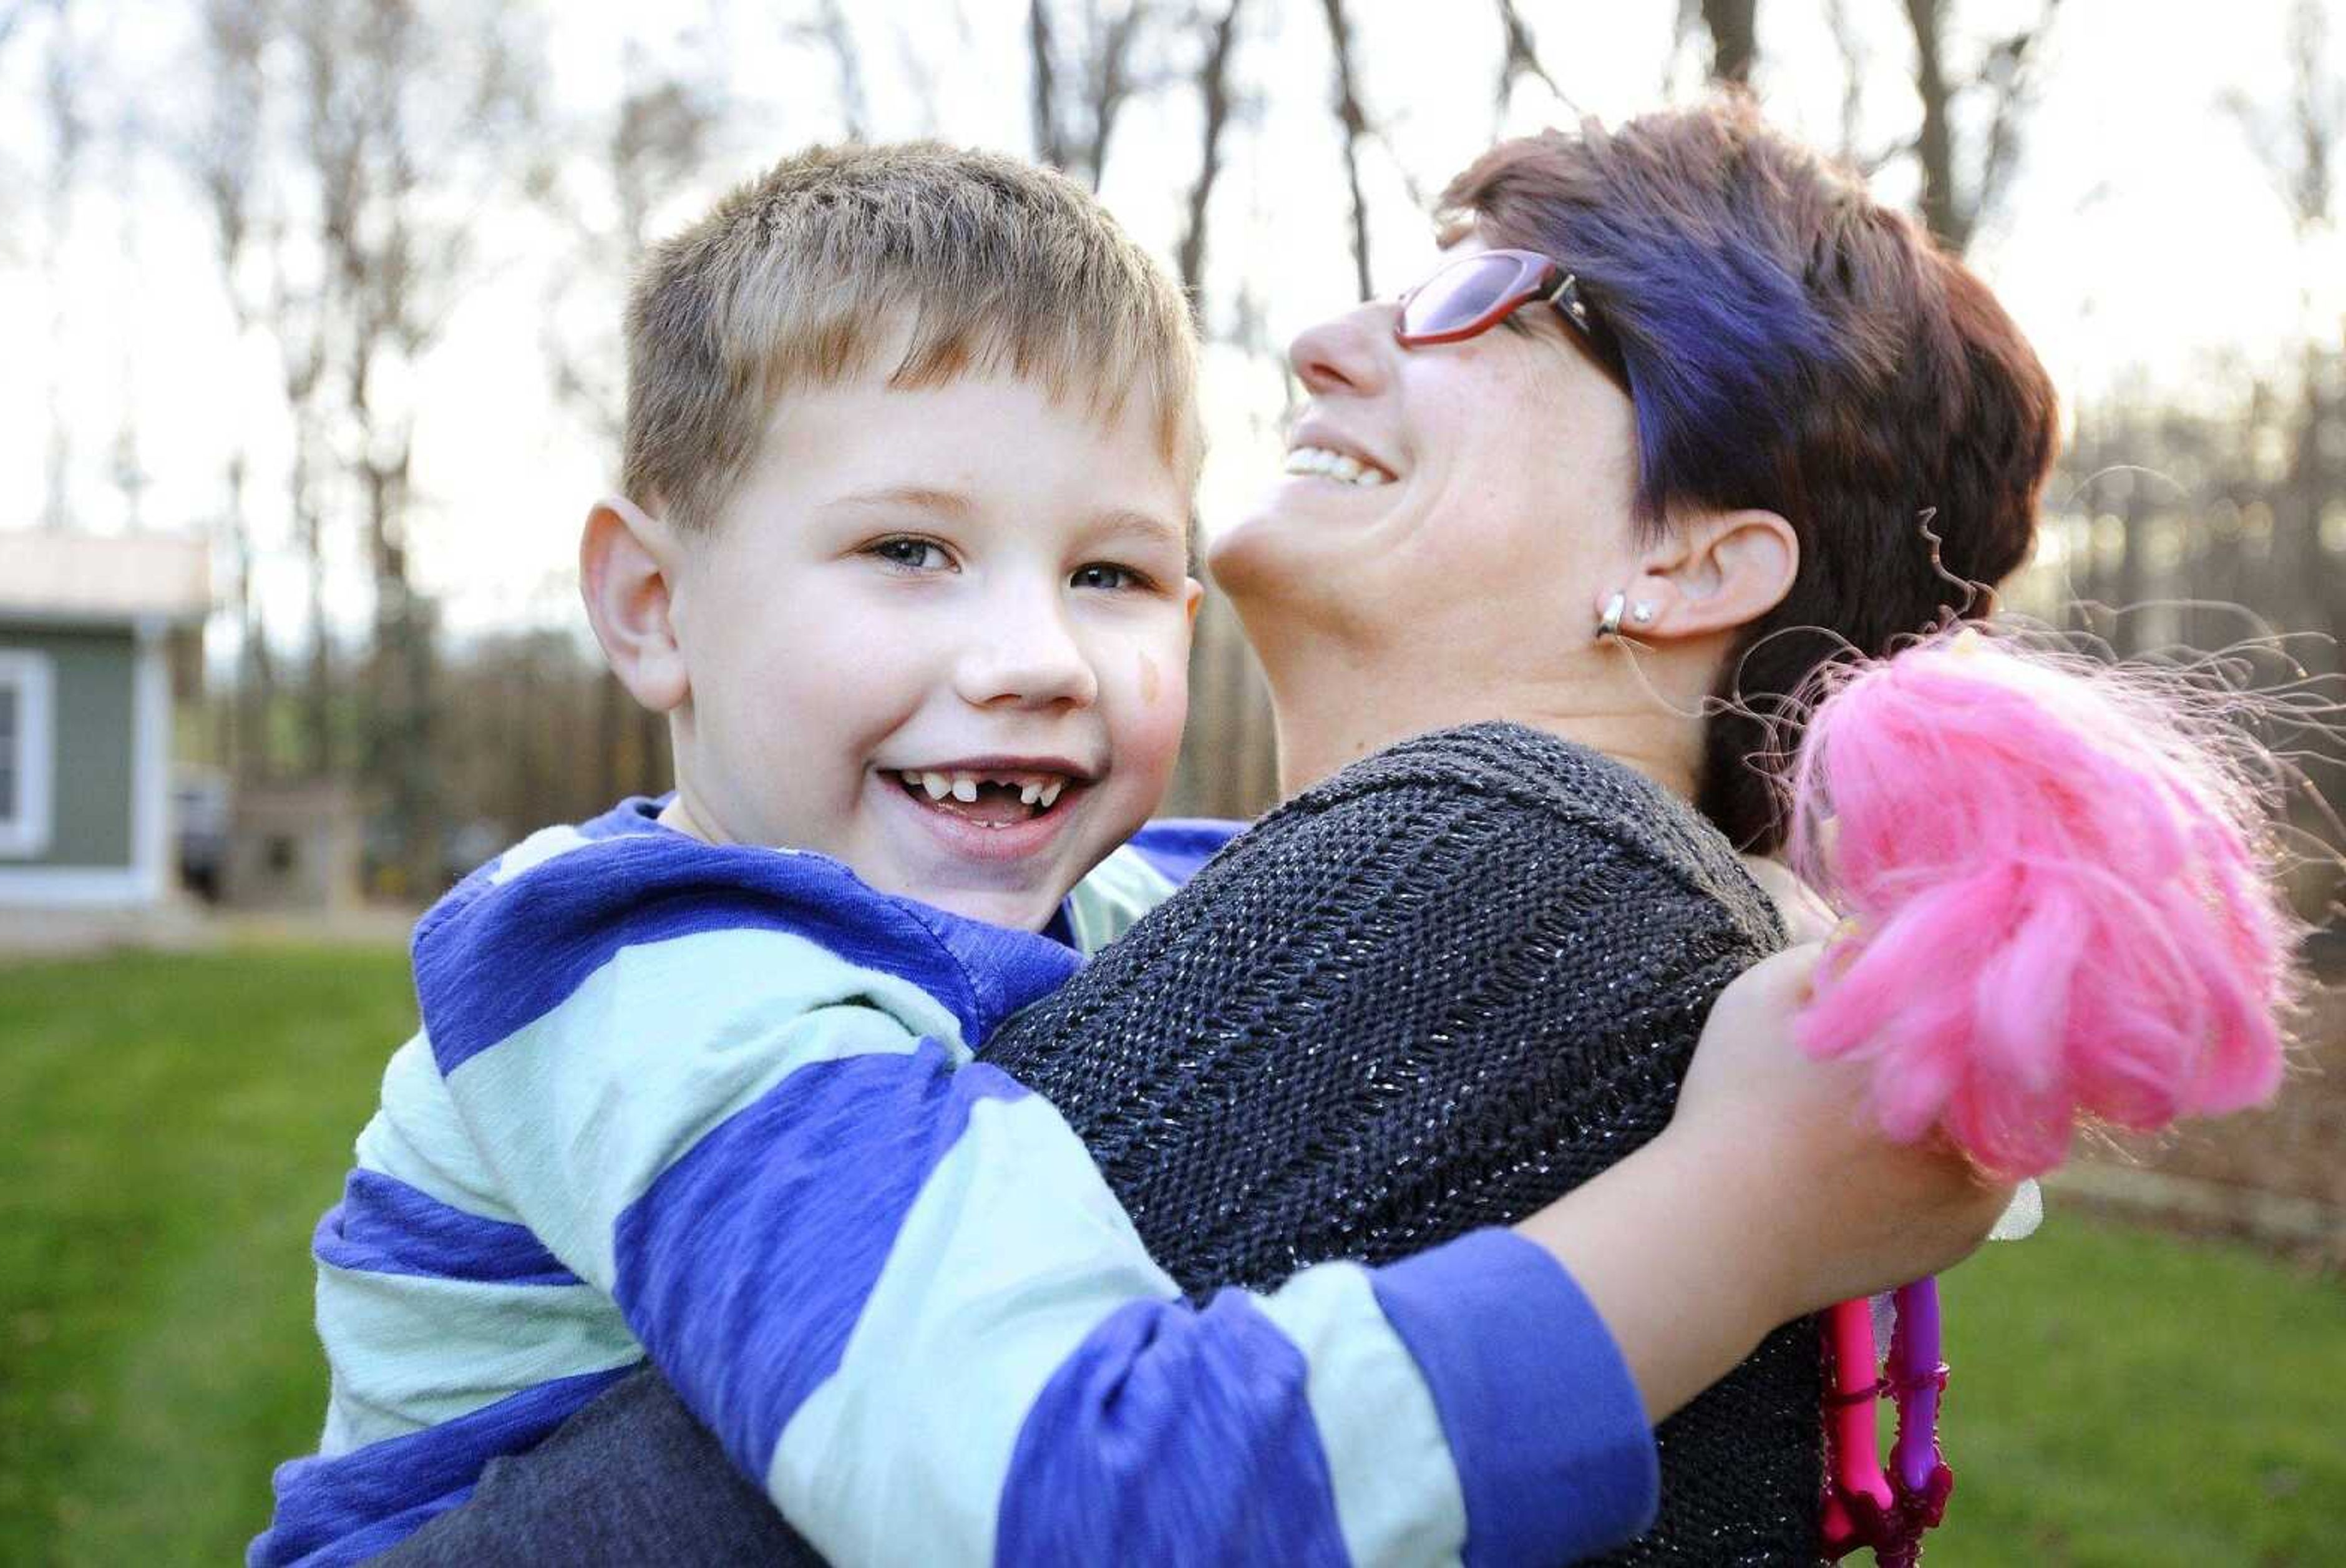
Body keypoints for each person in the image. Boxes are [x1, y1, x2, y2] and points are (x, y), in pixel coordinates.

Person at [257, 140, 2010, 1568]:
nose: (1029, 654)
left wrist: (1923, 1048)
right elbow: (1080, 1504)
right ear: (651, 605)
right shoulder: (662, 974)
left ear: (1700, 561)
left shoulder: (1251, 891)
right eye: (907, 548)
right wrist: (1749, 1211)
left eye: (1107, 575)